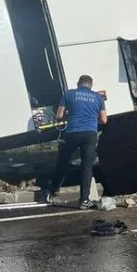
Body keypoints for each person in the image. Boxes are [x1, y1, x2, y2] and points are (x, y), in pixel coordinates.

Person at [46, 75, 108, 209]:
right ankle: (84, 201)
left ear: (78, 84)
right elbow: (104, 120)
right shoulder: (98, 98)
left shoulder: (69, 94)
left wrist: (70, 114)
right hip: (90, 134)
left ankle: (53, 190)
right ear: (91, 85)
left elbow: (59, 116)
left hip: (72, 133)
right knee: (86, 166)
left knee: (63, 160)